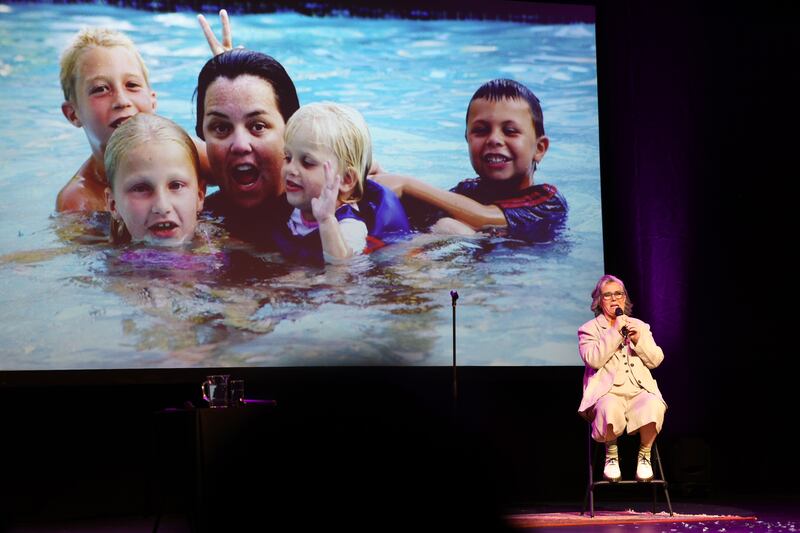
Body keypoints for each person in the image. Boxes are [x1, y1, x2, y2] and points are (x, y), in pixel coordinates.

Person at [373, 78, 567, 242]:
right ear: (467, 139)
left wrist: (406, 184)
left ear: (539, 149)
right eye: (481, 130)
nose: (494, 139)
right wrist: (380, 182)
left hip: (515, 271)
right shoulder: (468, 192)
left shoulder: (548, 202)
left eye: (510, 131)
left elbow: (485, 218)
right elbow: (418, 212)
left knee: (450, 228)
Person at [57, 27, 210, 213]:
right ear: (73, 114)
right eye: (100, 89)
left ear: (153, 100)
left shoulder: (186, 153)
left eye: (132, 85)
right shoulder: (79, 202)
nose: (122, 101)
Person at [276, 102, 408, 263]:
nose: (291, 169)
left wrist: (327, 221)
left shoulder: (349, 227)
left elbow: (343, 270)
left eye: (307, 163)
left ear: (346, 180)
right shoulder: (298, 202)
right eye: (288, 157)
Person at [195, 48, 300, 245]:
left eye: (258, 126)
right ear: (202, 135)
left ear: (293, 130)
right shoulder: (194, 224)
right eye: (221, 128)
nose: (240, 145)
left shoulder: (338, 214)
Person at [577, 275, 667, 482]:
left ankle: (644, 456)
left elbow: (656, 360)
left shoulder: (639, 326)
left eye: (618, 294)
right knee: (608, 407)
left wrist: (639, 340)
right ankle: (611, 455)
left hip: (638, 390)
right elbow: (594, 359)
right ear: (599, 300)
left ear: (624, 298)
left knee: (654, 404)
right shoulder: (589, 329)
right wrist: (615, 332)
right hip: (607, 392)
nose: (614, 299)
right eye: (607, 295)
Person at [104, 113, 205, 246]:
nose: (162, 207)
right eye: (141, 189)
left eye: (176, 185)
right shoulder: (99, 256)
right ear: (113, 204)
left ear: (199, 196)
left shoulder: (226, 243)